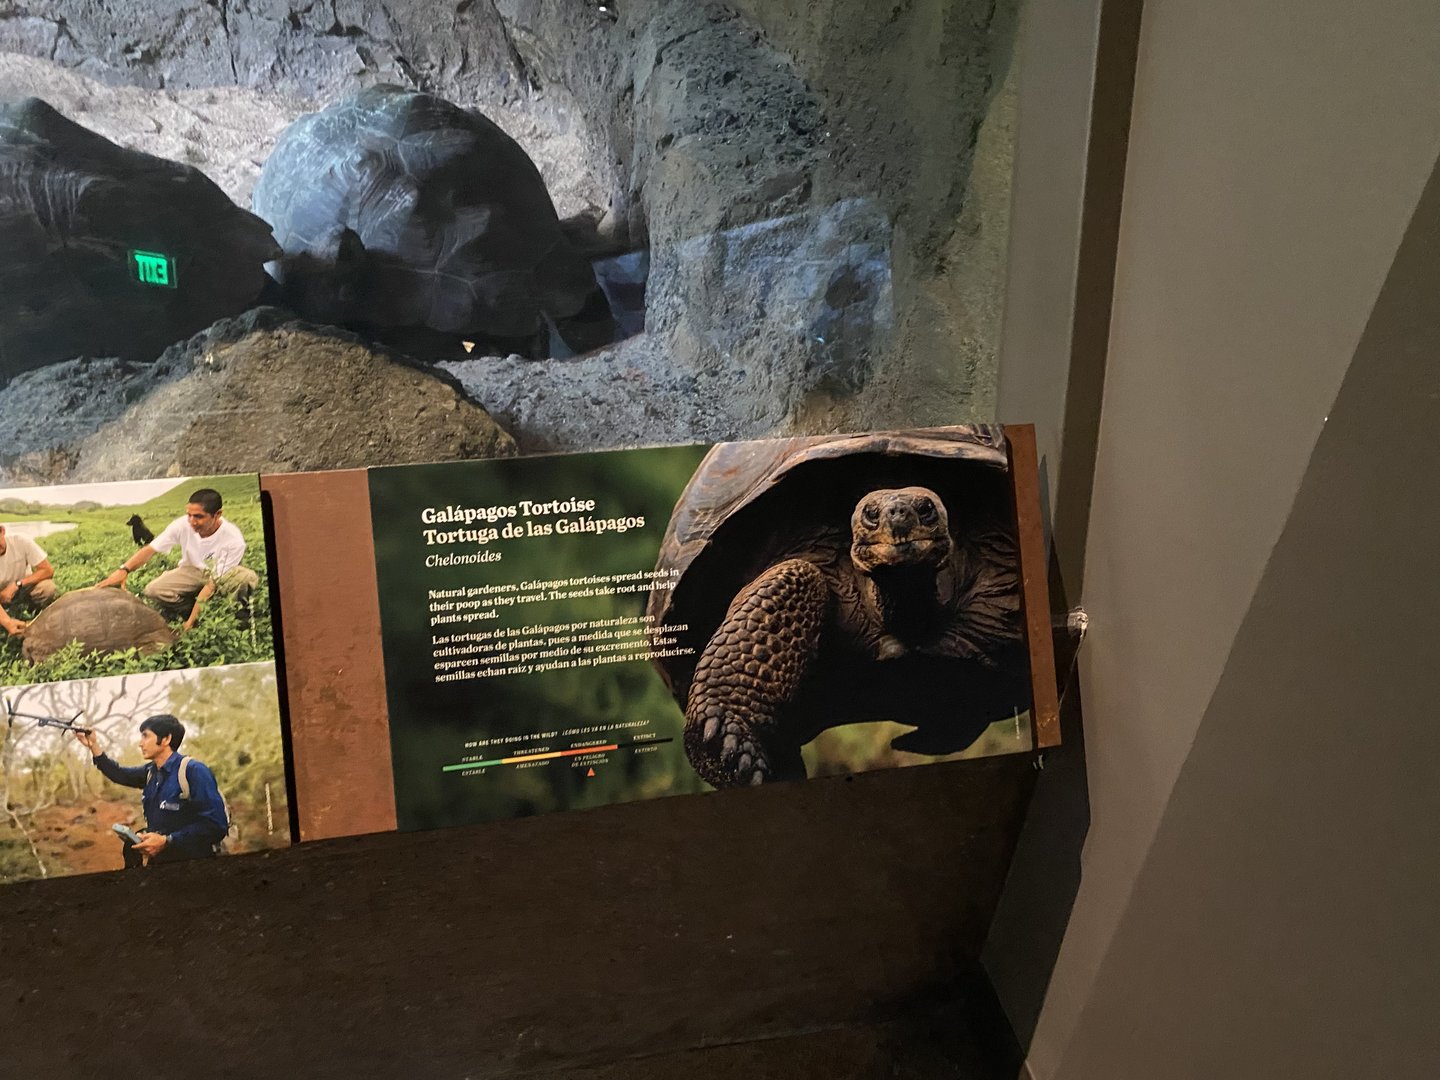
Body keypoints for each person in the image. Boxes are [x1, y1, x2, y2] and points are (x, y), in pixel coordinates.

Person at [74, 714, 228, 865]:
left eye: (146, 736)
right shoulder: (151, 772)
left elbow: (216, 825)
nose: (140, 743)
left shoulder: (193, 771)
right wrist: (93, 745)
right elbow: (119, 774)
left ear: (166, 739)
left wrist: (168, 841)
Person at [94, 488, 258, 630]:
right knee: (153, 590)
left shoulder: (233, 539)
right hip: (192, 570)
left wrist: (189, 624)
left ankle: (237, 619)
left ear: (217, 515)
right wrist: (124, 569)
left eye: (199, 516)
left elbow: (212, 584)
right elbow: (151, 549)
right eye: (189, 515)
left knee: (245, 578)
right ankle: (194, 611)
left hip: (221, 574)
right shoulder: (182, 524)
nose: (192, 522)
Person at [0, 523, 57, 637]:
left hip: (23, 587)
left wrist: (17, 585)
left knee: (47, 588)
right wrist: (7, 622)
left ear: (2, 531)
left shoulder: (20, 541)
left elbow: (47, 570)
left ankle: (34, 611)